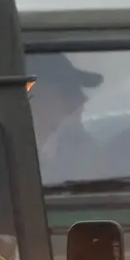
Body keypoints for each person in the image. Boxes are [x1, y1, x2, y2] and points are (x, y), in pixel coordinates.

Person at [28, 52, 106, 181]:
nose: (83, 99)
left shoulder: (83, 148)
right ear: (33, 98)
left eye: (76, 91)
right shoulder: (6, 154)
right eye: (68, 91)